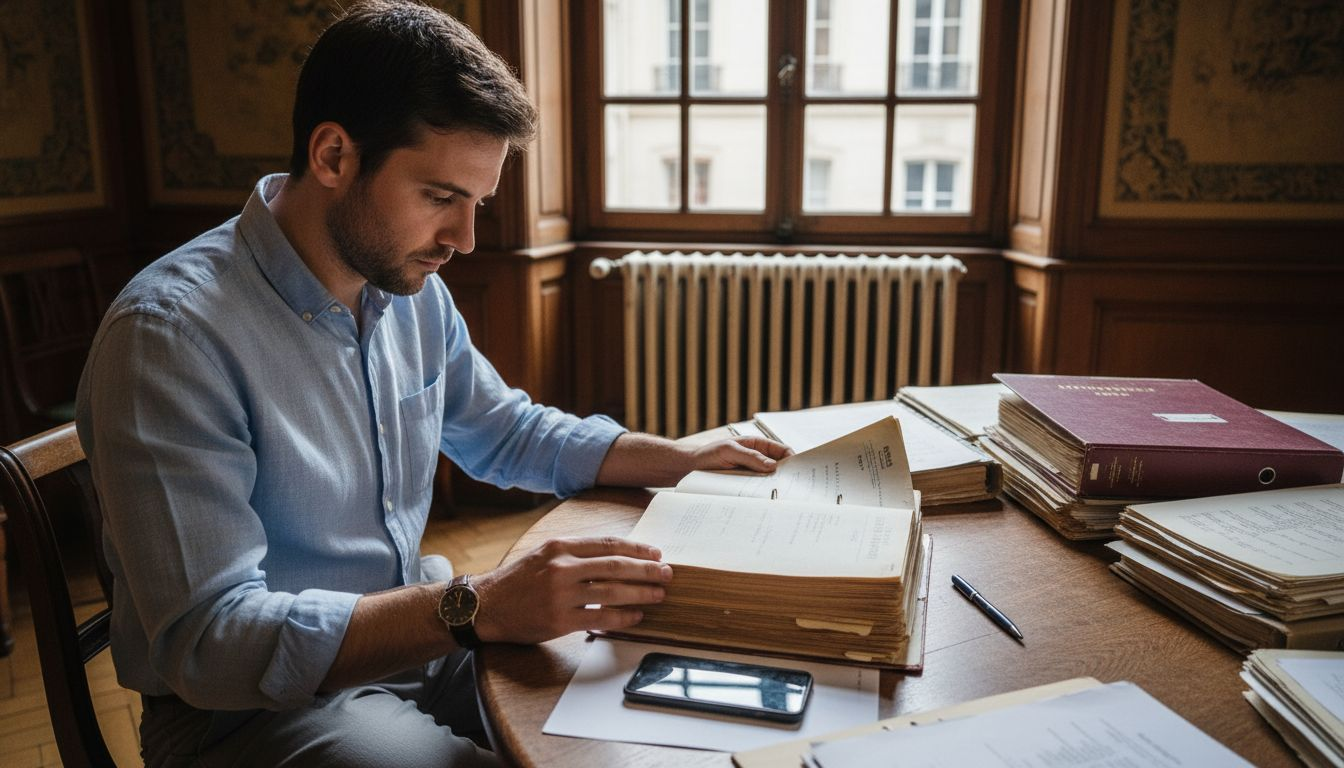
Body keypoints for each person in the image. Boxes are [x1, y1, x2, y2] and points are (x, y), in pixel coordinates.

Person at [74, 2, 789, 766]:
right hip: (248, 713)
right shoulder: (169, 339)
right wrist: (473, 604)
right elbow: (212, 642)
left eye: (477, 204)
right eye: (441, 198)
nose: (465, 240)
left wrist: (676, 457)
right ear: (333, 156)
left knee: (632, 725)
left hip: (421, 644)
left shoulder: (408, 289)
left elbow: (504, 429)